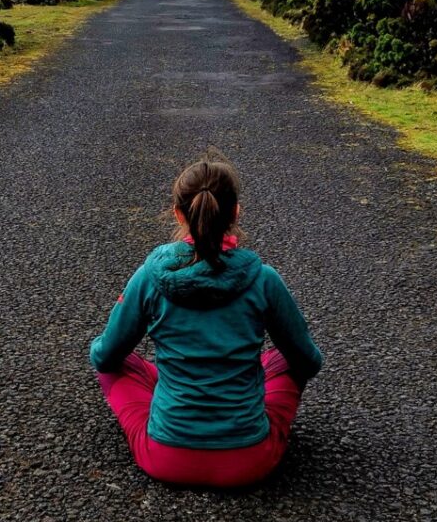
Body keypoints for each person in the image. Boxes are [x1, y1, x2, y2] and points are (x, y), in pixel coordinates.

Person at [90, 154, 323, 488]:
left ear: (178, 214)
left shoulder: (149, 277)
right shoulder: (264, 280)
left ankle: (176, 396)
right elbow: (309, 362)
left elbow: (105, 357)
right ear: (235, 213)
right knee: (287, 358)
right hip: (250, 461)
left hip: (165, 457)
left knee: (114, 361)